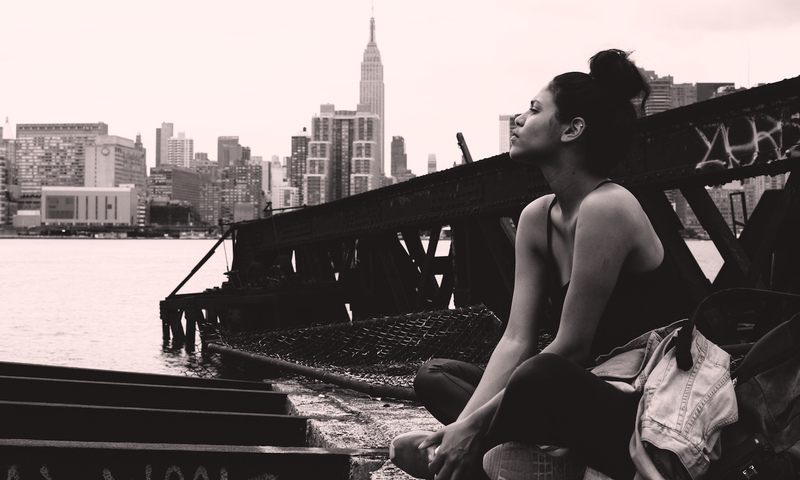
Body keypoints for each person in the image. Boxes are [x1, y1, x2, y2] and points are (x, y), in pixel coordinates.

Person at [393, 49, 689, 480]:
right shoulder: (537, 217)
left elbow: (571, 348)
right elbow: (516, 339)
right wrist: (461, 428)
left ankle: (520, 460)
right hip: (572, 394)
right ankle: (521, 459)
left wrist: (471, 426)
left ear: (572, 129)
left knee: (541, 374)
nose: (518, 118)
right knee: (434, 376)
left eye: (533, 110)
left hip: (639, 403)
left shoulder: (610, 206)